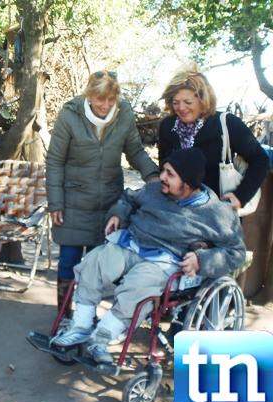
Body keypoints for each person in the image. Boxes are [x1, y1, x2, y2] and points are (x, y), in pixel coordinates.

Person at [51, 148, 246, 364]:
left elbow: (236, 252)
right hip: (131, 244)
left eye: (170, 174)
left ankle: (102, 337)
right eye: (164, 171)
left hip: (164, 261)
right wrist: (118, 214)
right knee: (94, 261)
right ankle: (80, 326)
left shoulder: (217, 213)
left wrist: (202, 260)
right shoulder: (154, 190)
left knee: (138, 288)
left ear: (188, 184)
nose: (162, 177)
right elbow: (128, 198)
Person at [46, 70, 159, 313]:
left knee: (97, 267)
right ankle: (64, 315)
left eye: (111, 99)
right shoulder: (70, 114)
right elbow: (55, 161)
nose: (105, 106)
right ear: (89, 95)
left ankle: (86, 316)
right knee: (68, 262)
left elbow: (135, 151)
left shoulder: (124, 113)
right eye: (100, 99)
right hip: (73, 203)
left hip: (108, 202)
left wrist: (153, 177)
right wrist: (55, 203)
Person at [158, 69, 269, 211]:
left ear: (203, 100)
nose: (181, 108)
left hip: (217, 213)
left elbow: (260, 159)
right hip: (175, 211)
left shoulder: (227, 124)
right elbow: (163, 165)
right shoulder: (167, 126)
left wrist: (241, 196)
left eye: (187, 102)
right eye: (175, 102)